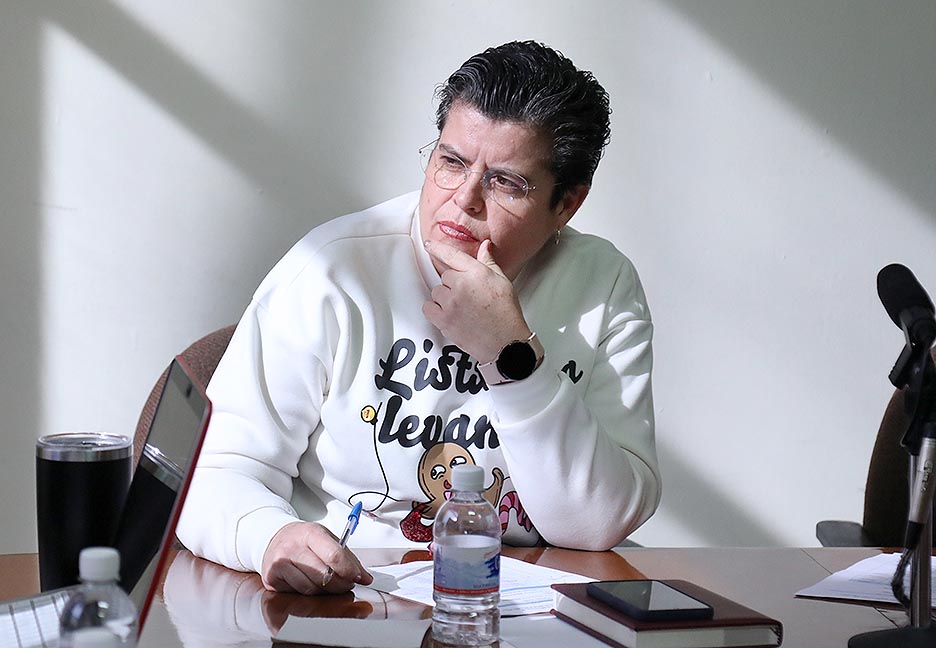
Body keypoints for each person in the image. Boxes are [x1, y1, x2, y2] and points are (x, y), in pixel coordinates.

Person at [176, 40, 661, 596]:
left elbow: (597, 524)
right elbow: (212, 474)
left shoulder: (603, 285)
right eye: (451, 162)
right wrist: (270, 536)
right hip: (353, 598)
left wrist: (510, 356)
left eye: (505, 182)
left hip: (525, 607)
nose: (465, 199)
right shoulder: (334, 269)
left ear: (567, 204)